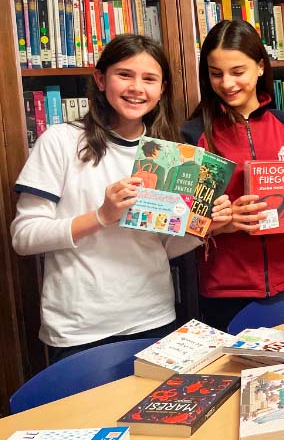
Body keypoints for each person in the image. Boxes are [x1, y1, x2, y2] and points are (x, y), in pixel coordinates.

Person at [10, 34, 231, 362]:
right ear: (101, 79)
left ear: (162, 89)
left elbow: (162, 245)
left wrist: (204, 228)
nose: (137, 88)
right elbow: (23, 237)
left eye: (149, 79)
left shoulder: (167, 154)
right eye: (124, 75)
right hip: (81, 327)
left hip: (154, 316)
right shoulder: (60, 141)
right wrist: (101, 215)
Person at [182, 19, 284, 330]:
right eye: (216, 74)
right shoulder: (194, 136)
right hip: (226, 287)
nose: (227, 83)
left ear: (260, 67)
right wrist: (224, 223)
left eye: (237, 72)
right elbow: (182, 223)